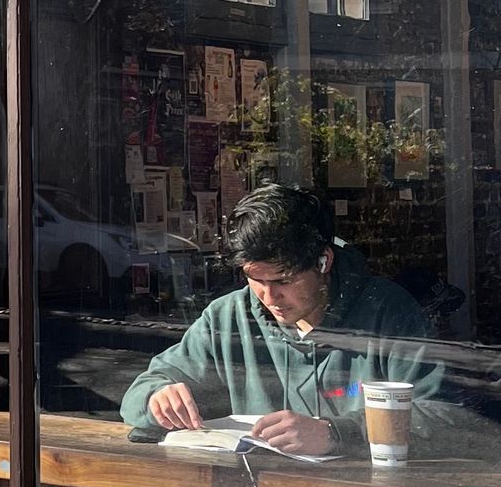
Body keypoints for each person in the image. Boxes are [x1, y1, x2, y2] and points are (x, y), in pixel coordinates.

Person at [120, 184, 440, 455]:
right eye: (255, 280)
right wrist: (156, 398)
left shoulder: (388, 312)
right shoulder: (228, 317)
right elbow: (137, 395)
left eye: (283, 280)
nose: (269, 298)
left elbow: (449, 415)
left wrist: (336, 433)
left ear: (323, 261)